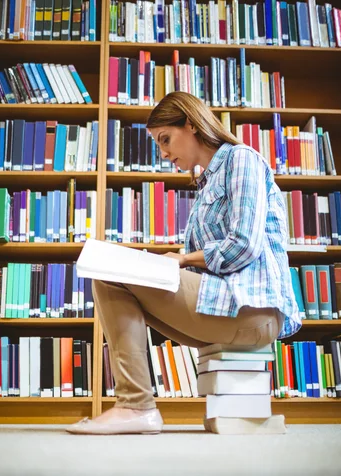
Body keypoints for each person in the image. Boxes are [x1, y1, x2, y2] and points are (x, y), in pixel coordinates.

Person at [66, 91, 301, 435]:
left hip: (253, 307)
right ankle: (135, 405)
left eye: (166, 139)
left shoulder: (241, 160)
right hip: (225, 304)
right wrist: (161, 267)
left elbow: (243, 246)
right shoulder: (206, 184)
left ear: (191, 124)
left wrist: (180, 259)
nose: (163, 154)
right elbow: (200, 268)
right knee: (109, 273)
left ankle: (134, 405)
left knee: (112, 275)